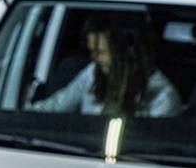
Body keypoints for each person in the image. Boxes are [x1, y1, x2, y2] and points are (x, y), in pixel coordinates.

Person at [30, 22, 180, 118]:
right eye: (91, 52)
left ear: (125, 53)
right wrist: (21, 115)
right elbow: (56, 105)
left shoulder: (162, 97)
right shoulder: (93, 73)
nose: (94, 59)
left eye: (100, 52)